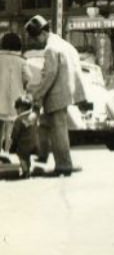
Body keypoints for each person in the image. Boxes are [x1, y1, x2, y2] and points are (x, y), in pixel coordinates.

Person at [24, 14, 86, 177]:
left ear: (42, 33)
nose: (36, 43)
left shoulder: (51, 48)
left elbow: (50, 74)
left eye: (36, 39)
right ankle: (47, 158)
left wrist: (38, 94)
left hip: (56, 94)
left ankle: (64, 165)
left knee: (58, 131)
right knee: (50, 127)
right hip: (65, 92)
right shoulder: (63, 44)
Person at [0, 32, 32, 152]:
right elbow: (29, 78)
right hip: (16, 102)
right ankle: (7, 152)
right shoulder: (21, 61)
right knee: (11, 130)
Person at [9, 95, 41, 177]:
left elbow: (15, 133)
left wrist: (13, 142)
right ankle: (29, 169)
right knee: (28, 156)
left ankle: (25, 171)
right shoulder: (34, 116)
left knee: (22, 156)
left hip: (24, 143)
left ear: (20, 108)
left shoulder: (19, 119)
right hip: (35, 141)